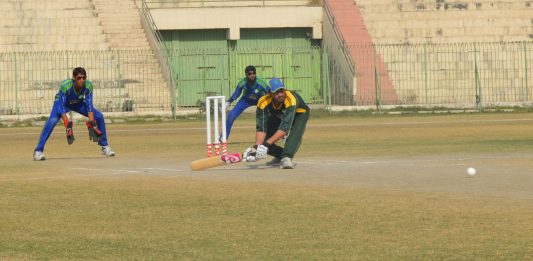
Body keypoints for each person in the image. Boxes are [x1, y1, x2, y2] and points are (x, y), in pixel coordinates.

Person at [33, 67, 115, 161]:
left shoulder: (88, 86)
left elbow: (89, 105)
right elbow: (61, 106)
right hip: (62, 104)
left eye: (84, 78)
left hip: (78, 103)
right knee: (51, 122)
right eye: (79, 78)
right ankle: (38, 151)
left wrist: (92, 123)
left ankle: (104, 146)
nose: (82, 80)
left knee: (99, 116)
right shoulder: (66, 85)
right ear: (74, 78)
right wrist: (67, 123)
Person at [243, 77, 310, 169]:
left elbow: (284, 128)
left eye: (282, 91)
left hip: (300, 114)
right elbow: (261, 128)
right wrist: (256, 148)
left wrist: (266, 145)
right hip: (280, 113)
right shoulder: (263, 102)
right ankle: (280, 155)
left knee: (295, 135)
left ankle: (286, 158)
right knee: (264, 140)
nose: (280, 95)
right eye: (276, 92)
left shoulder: (291, 99)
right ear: (270, 93)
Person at [225, 65, 269, 140]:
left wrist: (272, 105)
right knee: (230, 116)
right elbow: (236, 93)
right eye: (249, 74)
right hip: (246, 100)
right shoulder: (242, 82)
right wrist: (228, 102)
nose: (252, 75)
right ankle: (223, 137)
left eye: (254, 73)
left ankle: (282, 135)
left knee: (272, 116)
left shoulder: (261, 83)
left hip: (260, 101)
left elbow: (269, 93)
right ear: (246, 74)